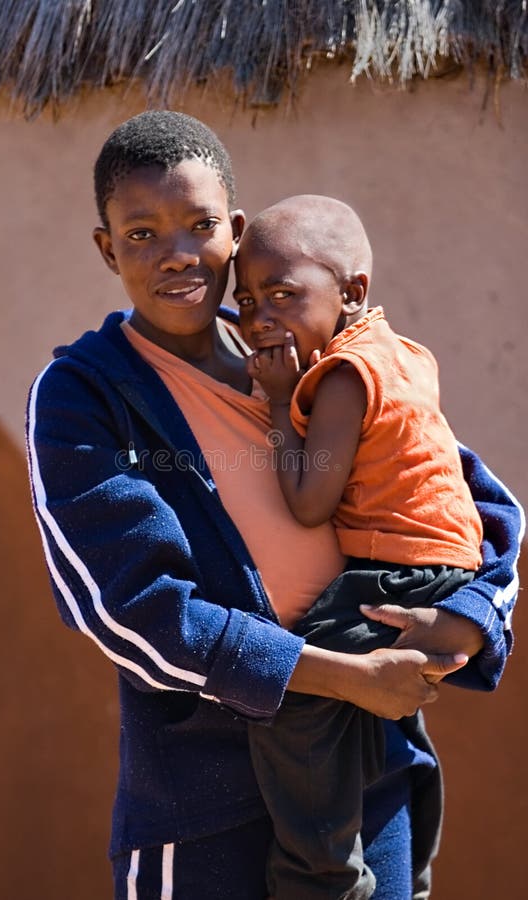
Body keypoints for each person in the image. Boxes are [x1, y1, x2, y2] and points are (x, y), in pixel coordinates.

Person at [25, 111, 523, 900]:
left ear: (236, 229)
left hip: (366, 784)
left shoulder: (307, 357)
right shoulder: (88, 395)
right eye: (142, 234)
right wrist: (341, 674)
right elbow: (130, 610)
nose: (178, 254)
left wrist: (469, 616)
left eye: (199, 226)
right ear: (106, 247)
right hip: (205, 812)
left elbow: (468, 502)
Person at [234, 194, 485, 899]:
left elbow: (309, 503)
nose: (259, 319)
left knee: (290, 696)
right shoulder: (405, 354)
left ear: (351, 293)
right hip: (442, 570)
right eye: (248, 301)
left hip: (395, 573)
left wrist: (281, 402)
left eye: (283, 294)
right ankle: (417, 873)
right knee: (386, 718)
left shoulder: (341, 378)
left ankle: (324, 875)